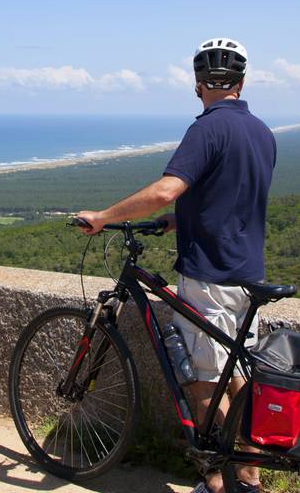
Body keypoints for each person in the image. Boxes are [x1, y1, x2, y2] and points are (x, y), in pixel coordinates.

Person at [75, 38, 275, 493]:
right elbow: (230, 196)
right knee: (240, 378)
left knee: (205, 380)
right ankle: (250, 477)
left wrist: (104, 216)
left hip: (210, 276)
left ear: (197, 85)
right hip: (249, 272)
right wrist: (178, 221)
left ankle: (218, 483)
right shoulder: (262, 132)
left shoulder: (206, 129)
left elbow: (167, 189)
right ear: (242, 83)